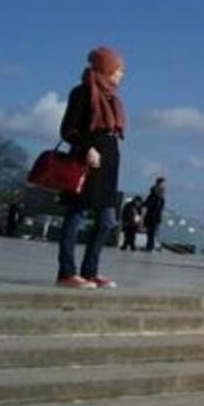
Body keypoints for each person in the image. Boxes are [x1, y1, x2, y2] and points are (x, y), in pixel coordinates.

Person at [54, 46, 128, 289]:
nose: (121, 75)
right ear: (107, 69)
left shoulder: (111, 98)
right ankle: (66, 272)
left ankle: (90, 271)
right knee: (75, 216)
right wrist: (87, 147)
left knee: (107, 220)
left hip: (107, 163)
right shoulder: (82, 92)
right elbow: (68, 130)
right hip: (87, 162)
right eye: (119, 70)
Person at [142, 176, 166, 252]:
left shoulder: (158, 197)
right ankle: (150, 246)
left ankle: (150, 246)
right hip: (153, 216)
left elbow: (146, 204)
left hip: (153, 216)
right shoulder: (157, 197)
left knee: (151, 233)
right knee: (151, 232)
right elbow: (149, 204)